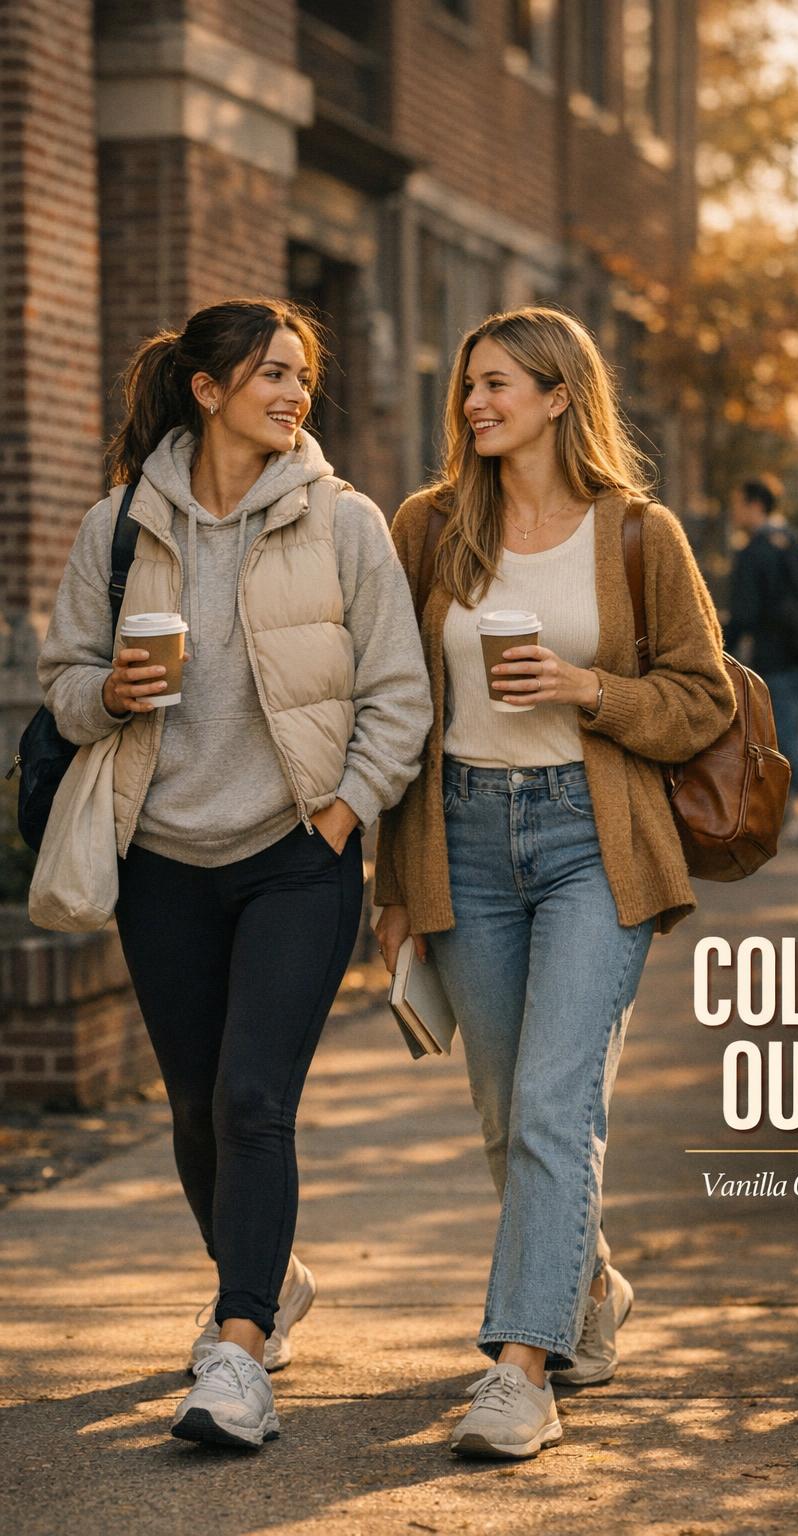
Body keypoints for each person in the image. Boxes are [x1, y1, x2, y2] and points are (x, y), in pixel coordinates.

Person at [38, 297, 431, 1448]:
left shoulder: (342, 522)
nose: (294, 392)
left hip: (294, 859)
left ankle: (239, 1350)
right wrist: (104, 693)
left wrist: (345, 813)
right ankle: (268, 1280)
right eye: (270, 373)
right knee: (198, 1111)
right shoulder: (118, 526)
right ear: (207, 391)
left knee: (257, 1101)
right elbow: (61, 679)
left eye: (302, 375)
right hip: (161, 860)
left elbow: (397, 691)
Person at [374, 306, 735, 1461]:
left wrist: (588, 688)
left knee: (551, 1102)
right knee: (505, 1114)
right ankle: (589, 1289)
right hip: (463, 839)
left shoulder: (639, 534)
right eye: (467, 384)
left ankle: (521, 1370)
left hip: (596, 840)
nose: (474, 401)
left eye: (496, 384)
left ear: (558, 395)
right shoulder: (428, 527)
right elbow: (397, 708)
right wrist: (393, 888)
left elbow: (703, 700)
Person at [724, 477, 798, 843]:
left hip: (776, 661)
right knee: (783, 737)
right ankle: (782, 815)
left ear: (755, 504)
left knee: (785, 740)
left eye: (738, 503)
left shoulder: (755, 552)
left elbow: (744, 614)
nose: (734, 511)